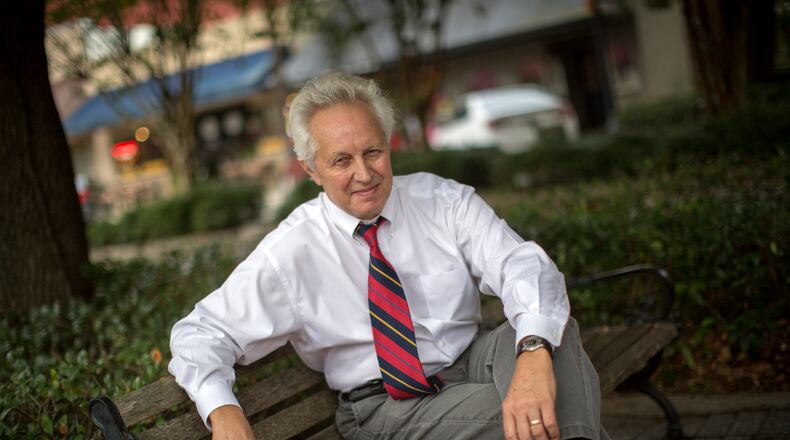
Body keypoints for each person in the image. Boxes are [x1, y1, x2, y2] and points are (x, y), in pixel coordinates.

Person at [169, 72, 608, 440]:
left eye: (373, 151)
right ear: (311, 169)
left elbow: (522, 265)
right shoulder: (291, 252)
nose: (364, 174)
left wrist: (531, 349)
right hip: (388, 405)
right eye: (341, 160)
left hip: (474, 358)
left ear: (389, 143)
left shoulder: (442, 200)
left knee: (551, 333)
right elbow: (200, 333)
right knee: (535, 413)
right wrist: (223, 411)